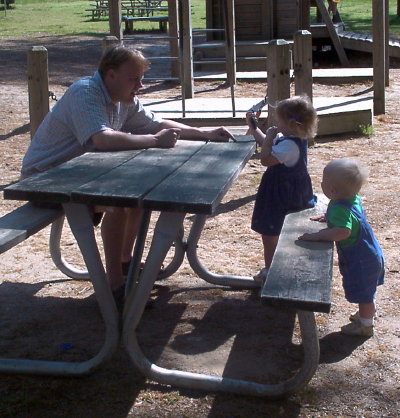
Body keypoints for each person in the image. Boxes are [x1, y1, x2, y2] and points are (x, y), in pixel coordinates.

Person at [21, 44, 234, 307]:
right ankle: (114, 288)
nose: (140, 86)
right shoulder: (85, 91)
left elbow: (157, 123)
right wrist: (154, 141)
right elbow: (101, 139)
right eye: (134, 79)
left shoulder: (123, 98)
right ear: (111, 75)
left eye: (141, 79)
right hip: (44, 179)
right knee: (117, 205)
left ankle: (124, 262)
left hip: (79, 176)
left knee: (137, 201)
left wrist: (205, 133)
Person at [299, 158, 384, 337]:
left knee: (364, 293)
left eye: (323, 181)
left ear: (332, 190)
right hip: (371, 252)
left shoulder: (340, 207)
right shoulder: (353, 198)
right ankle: (365, 313)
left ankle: (365, 325)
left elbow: (343, 231)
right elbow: (348, 217)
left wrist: (318, 236)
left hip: (361, 259)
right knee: (367, 289)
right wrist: (329, 217)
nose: (321, 183)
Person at [246, 95, 317, 284]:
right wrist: (254, 127)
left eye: (280, 120)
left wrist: (268, 139)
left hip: (281, 196)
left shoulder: (289, 145)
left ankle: (271, 271)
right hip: (287, 192)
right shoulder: (289, 139)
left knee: (270, 234)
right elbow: (267, 144)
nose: (276, 124)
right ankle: (276, 267)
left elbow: (265, 159)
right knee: (277, 233)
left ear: (292, 124)